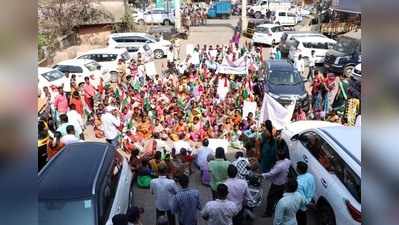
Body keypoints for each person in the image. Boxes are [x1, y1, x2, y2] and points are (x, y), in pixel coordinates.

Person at [261, 150, 291, 217]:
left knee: (270, 198)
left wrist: (261, 175)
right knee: (279, 197)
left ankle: (268, 212)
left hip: (277, 184)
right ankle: (279, 208)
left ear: (278, 157)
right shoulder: (287, 161)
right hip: (283, 182)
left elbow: (271, 173)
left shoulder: (279, 166)